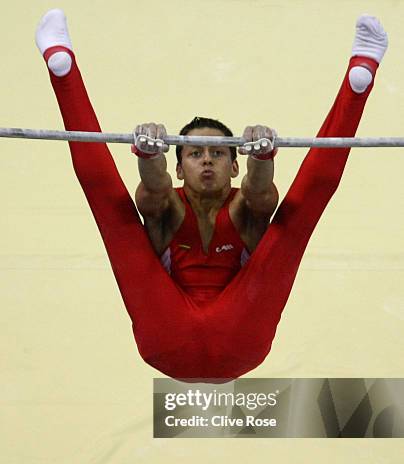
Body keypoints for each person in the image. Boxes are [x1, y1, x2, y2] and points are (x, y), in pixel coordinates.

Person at [35, 9, 388, 380]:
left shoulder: (245, 205)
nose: (206, 161)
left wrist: (263, 156)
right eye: (195, 153)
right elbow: (153, 189)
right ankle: (63, 68)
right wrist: (149, 153)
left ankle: (358, 81)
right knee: (114, 212)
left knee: (297, 215)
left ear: (235, 166)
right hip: (185, 336)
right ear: (179, 166)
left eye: (218, 153)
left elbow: (260, 191)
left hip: (214, 339)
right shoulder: (167, 203)